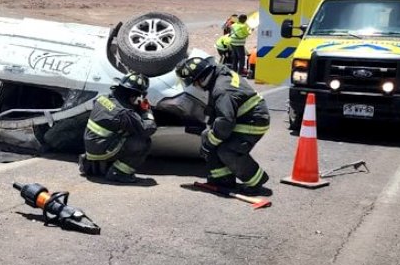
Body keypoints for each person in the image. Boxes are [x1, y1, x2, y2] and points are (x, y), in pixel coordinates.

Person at [175, 56, 270, 194]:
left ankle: (255, 182)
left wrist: (210, 142)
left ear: (200, 79)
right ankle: (222, 180)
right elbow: (219, 111)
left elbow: (225, 122)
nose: (195, 86)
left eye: (194, 83)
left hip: (253, 122)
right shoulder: (219, 73)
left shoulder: (222, 89)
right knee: (208, 138)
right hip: (241, 118)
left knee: (227, 150)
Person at [78, 72, 156, 184]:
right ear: (133, 95)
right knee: (142, 142)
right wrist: (146, 111)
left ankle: (89, 165)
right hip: (102, 149)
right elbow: (148, 129)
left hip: (90, 148)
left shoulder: (102, 98)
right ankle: (119, 173)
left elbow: (113, 113)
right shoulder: (123, 113)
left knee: (118, 132)